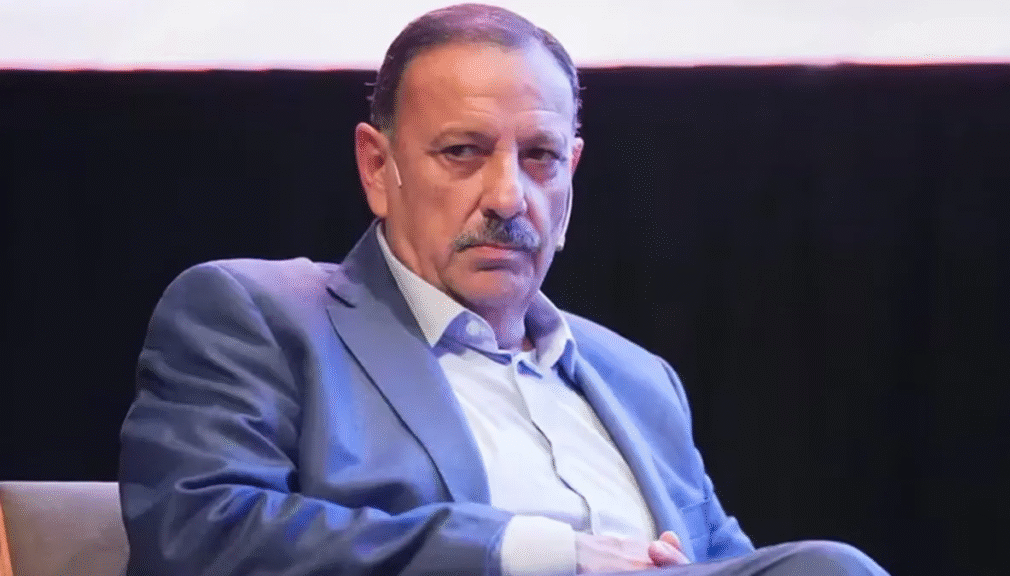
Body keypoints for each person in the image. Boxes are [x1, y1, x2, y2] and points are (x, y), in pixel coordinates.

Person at [119, 4, 890, 576]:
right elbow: (198, 533)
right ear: (378, 168)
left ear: (571, 176)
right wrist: (537, 553)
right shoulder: (261, 317)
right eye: (463, 151)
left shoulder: (638, 379)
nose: (508, 196)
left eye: (540, 157)